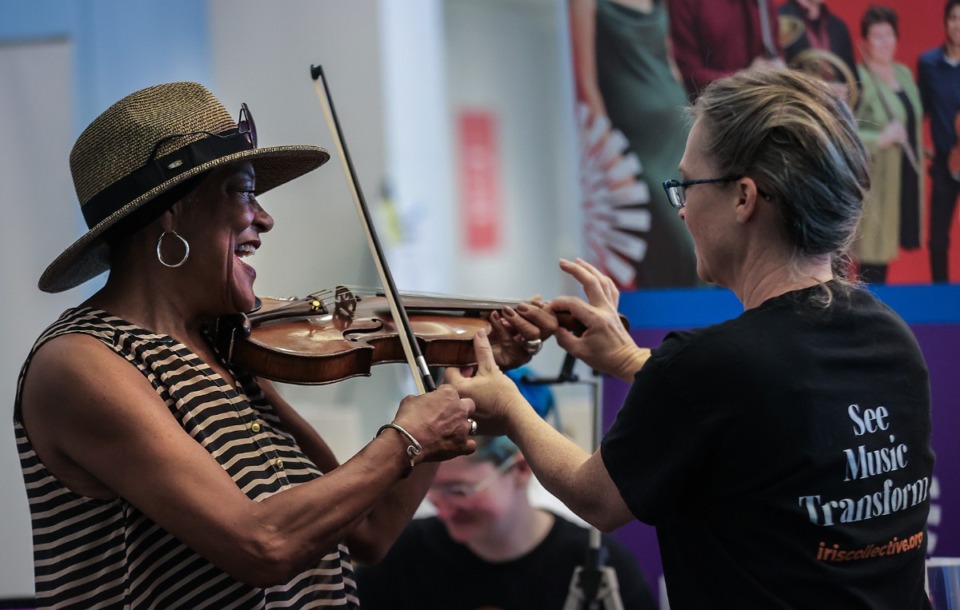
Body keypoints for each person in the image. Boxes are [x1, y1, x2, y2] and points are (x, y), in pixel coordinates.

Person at [14, 82, 553, 608]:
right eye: (243, 190)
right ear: (170, 213)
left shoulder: (226, 347)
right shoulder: (83, 364)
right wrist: (405, 438)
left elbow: (367, 533)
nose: (265, 218)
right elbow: (261, 545)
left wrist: (455, 379)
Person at [447, 68, 934, 608]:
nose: (681, 208)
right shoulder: (890, 338)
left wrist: (511, 407)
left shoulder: (706, 364)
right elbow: (765, 412)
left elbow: (598, 499)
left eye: (687, 185)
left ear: (744, 198)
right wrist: (633, 360)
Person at [356, 435, 657, 610]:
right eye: (433, 490)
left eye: (459, 490)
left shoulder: (600, 565)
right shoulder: (403, 553)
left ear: (521, 470)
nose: (444, 509)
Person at [568, 0, 699, 288]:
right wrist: (608, 152)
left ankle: (693, 324)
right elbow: (586, 83)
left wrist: (691, 118)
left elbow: (670, 64)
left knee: (694, 226)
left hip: (676, 128)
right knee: (672, 235)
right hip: (632, 140)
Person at [854, 5, 924, 284]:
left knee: (888, 250)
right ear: (865, 41)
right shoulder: (858, 77)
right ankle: (868, 318)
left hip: (902, 176)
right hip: (875, 178)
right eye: (877, 36)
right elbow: (843, 132)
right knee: (872, 255)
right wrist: (879, 138)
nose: (885, 43)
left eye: (889, 35)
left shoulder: (904, 74)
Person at [666, 0, 783, 100]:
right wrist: (743, 79)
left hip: (759, 101)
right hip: (714, 110)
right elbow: (688, 73)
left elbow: (774, 49)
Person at [919, 0, 960, 283]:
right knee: (937, 239)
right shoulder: (929, 63)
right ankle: (940, 295)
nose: (959, 25)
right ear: (945, 22)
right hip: (946, 160)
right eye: (954, 18)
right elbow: (919, 109)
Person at [778, 0, 859, 107]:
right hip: (794, 111)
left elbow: (855, 84)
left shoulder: (838, 27)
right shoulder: (778, 19)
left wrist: (845, 92)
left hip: (834, 114)